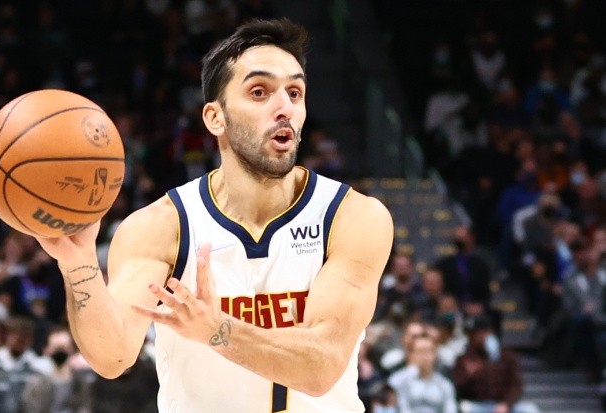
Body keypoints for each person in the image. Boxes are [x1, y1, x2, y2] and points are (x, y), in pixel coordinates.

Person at [34, 18, 394, 412]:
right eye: (260, 92)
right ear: (214, 118)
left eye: (295, 92)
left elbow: (321, 367)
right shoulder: (160, 226)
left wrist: (216, 330)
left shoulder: (352, 217)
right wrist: (78, 263)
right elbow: (112, 356)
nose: (284, 108)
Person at [388, 333, 458, 413]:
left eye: (428, 351)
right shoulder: (397, 381)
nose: (424, 356)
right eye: (420, 351)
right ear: (411, 354)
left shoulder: (445, 385)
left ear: (435, 354)